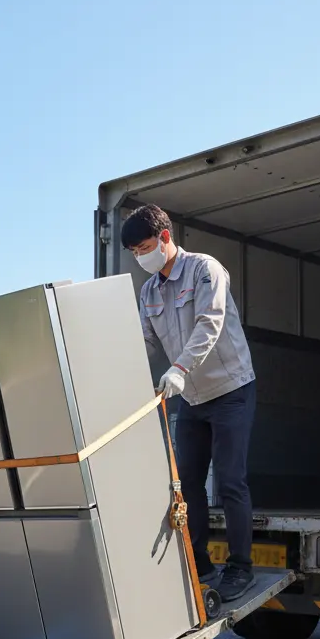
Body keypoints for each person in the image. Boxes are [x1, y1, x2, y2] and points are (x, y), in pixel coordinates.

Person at [121, 204, 257, 602]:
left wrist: (179, 367)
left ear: (165, 237)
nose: (141, 257)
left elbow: (210, 322)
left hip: (231, 390)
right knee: (187, 483)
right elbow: (145, 341)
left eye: (145, 248)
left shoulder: (204, 270)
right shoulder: (149, 291)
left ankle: (240, 567)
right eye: (135, 253)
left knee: (230, 481)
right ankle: (199, 562)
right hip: (193, 398)